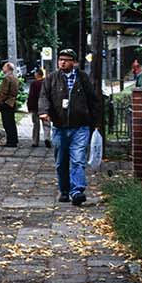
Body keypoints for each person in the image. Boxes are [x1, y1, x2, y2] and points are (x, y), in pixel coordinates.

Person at [37, 49, 99, 206]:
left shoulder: (82, 78)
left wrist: (96, 122)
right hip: (59, 127)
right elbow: (44, 97)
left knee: (78, 159)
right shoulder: (52, 78)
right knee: (61, 161)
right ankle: (64, 190)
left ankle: (77, 191)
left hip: (80, 127)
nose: (62, 62)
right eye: (60, 59)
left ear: (74, 62)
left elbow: (93, 100)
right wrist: (44, 112)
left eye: (66, 59)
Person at [0, 61, 21, 147]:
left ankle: (10, 142)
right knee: (11, 122)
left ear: (7, 68)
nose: (3, 69)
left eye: (4, 67)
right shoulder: (14, 78)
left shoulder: (7, 78)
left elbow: (4, 92)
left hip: (6, 103)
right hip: (12, 102)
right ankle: (14, 140)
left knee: (7, 123)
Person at [26, 68, 50, 149]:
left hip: (35, 106)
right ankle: (47, 138)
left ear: (37, 75)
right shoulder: (46, 83)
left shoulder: (34, 84)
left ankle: (35, 141)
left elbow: (31, 96)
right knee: (46, 124)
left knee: (36, 124)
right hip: (45, 106)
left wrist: (29, 106)